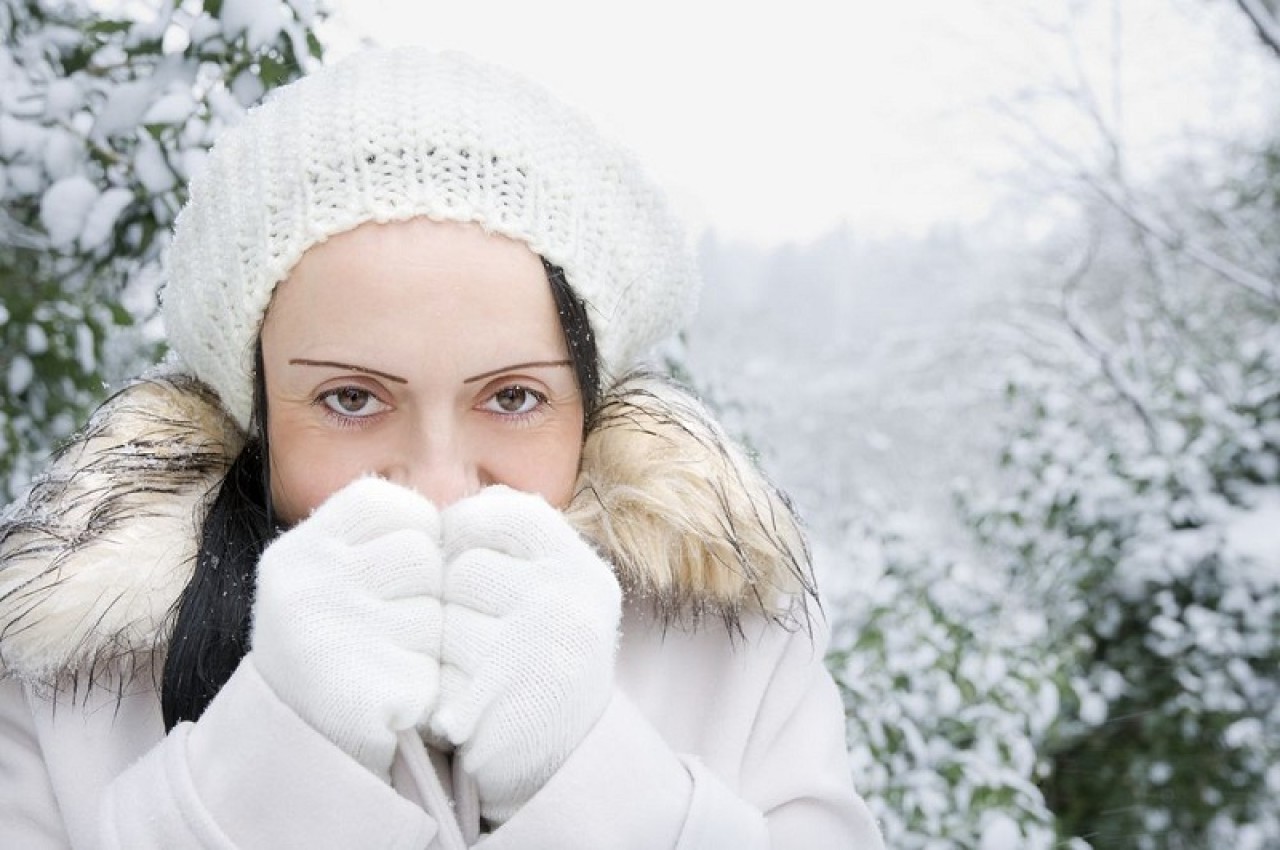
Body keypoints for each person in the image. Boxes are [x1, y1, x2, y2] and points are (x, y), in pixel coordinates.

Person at [0, 47, 885, 848]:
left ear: (589, 401)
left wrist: (589, 780)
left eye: (512, 397)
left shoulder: (733, 643)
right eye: (351, 399)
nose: (436, 484)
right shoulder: (72, 672)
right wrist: (274, 765)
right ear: (258, 409)